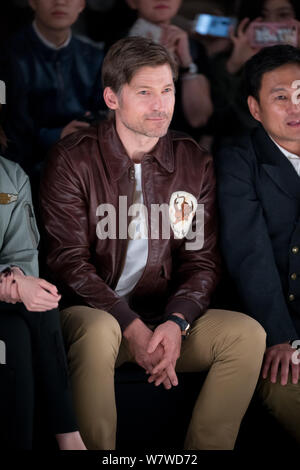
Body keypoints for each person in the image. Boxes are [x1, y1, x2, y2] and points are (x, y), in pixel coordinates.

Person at [40, 36, 266, 450]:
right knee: (97, 329)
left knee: (246, 334)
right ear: (112, 97)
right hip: (93, 316)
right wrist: (130, 324)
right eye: (144, 92)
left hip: (161, 318)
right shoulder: (73, 158)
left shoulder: (192, 161)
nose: (160, 105)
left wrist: (176, 322)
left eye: (167, 91)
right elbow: (67, 263)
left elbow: (201, 262)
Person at [216, 44, 300, 444]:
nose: (294, 107)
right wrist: (281, 335)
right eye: (280, 97)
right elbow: (249, 252)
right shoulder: (238, 160)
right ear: (255, 108)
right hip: (274, 327)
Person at [0, 105, 86, 450]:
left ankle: (66, 438)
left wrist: (17, 278)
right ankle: (70, 437)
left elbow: (21, 254)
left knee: (29, 320)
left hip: (6, 304)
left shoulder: (11, 176)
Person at [0, 0, 105, 180]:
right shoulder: (8, 55)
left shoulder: (94, 56)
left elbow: (102, 109)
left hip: (83, 162)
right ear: (33, 2)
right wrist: (57, 135)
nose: (60, 2)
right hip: (24, 168)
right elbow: (11, 124)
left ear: (81, 4)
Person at [209, 0, 300, 148]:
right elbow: (213, 119)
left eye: (283, 14)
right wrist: (234, 65)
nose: (272, 23)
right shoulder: (224, 63)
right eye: (262, 16)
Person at [124, 0, 213, 142]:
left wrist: (186, 63)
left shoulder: (194, 48)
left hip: (181, 148)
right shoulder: (115, 46)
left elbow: (199, 118)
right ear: (132, 2)